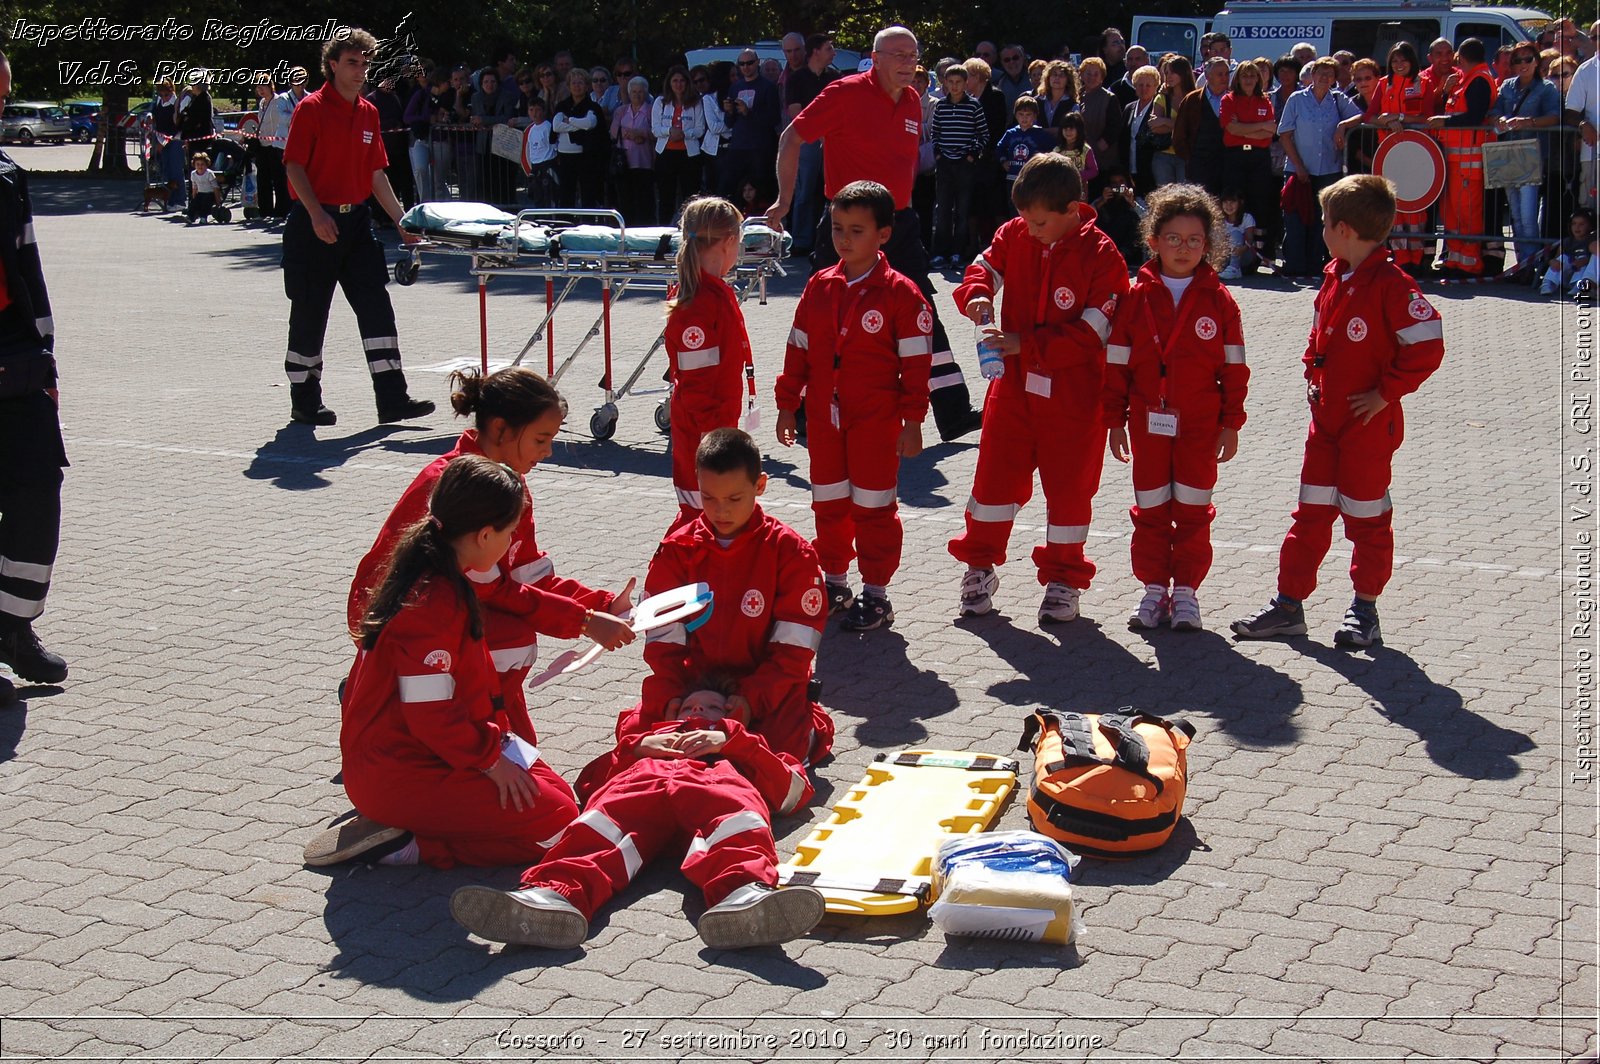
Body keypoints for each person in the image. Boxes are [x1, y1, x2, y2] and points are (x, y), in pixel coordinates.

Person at [304, 456, 584, 868]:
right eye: (509, 533)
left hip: (431, 753)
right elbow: (429, 713)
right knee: (559, 824)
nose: (510, 545)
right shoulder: (434, 603)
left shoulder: (439, 574)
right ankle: (409, 845)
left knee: (561, 796)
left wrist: (496, 750)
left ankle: (419, 824)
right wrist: (490, 761)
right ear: (486, 535)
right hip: (399, 772)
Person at [348, 366, 635, 733]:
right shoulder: (459, 485)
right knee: (508, 637)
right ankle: (434, 712)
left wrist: (604, 605)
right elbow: (492, 589)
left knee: (508, 644)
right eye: (541, 439)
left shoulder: (506, 484)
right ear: (500, 429)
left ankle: (483, 720)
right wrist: (583, 620)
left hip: (445, 609)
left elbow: (527, 573)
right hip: (410, 620)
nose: (548, 452)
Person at [449, 677, 825, 949]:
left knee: (734, 820)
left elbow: (792, 791)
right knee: (603, 825)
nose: (697, 712)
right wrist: (637, 748)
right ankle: (553, 896)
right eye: (689, 706)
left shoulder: (739, 745)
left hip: (714, 779)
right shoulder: (646, 740)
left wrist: (733, 742)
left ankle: (744, 895)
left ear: (731, 713)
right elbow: (590, 786)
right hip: (645, 779)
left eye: (711, 708)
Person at [1232, 175, 1443, 648]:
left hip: (1367, 428)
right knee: (1309, 515)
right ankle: (1289, 607)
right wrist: (1313, 370)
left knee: (1367, 521)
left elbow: (1428, 345)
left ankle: (1364, 611)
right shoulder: (1335, 274)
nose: (1321, 231)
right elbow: (1319, 334)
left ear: (1344, 229)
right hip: (1324, 423)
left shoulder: (1392, 285)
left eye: (1325, 223)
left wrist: (1386, 393)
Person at [768, 25, 984, 443]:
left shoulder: (912, 103)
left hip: (899, 224)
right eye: (899, 55)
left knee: (921, 311)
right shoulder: (844, 93)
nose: (908, 63)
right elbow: (791, 136)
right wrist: (784, 201)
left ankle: (953, 411)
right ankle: (805, 411)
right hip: (848, 224)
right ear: (876, 57)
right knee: (824, 313)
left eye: (913, 55)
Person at [948, 153, 1130, 623]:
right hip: (1011, 391)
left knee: (1070, 492)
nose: (1030, 230)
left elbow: (1092, 335)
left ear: (1073, 208)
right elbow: (982, 268)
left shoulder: (1104, 255)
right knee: (991, 483)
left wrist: (1022, 345)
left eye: (1040, 221)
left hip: (1074, 398)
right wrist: (978, 296)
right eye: (1025, 219)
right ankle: (979, 567)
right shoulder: (1016, 234)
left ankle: (1064, 579)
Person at [774, 181, 932, 632]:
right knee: (828, 502)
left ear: (883, 235)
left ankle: (877, 594)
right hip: (825, 420)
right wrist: (789, 405)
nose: (843, 239)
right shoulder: (820, 287)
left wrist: (914, 421)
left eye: (856, 230)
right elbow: (797, 348)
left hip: (876, 424)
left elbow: (916, 366)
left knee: (874, 507)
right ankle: (835, 583)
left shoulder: (902, 294)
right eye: (838, 228)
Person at [634, 428, 833, 765]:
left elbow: (794, 652)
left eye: (734, 499)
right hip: (695, 688)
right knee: (639, 739)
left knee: (779, 754)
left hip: (766, 688)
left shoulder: (790, 552)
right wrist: (672, 696)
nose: (720, 511)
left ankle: (812, 723)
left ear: (760, 486)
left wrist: (750, 700)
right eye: (708, 498)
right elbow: (663, 642)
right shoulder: (678, 550)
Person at [1103, 185, 1248, 632]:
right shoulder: (1134, 297)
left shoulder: (1220, 300)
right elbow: (1116, 366)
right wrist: (1114, 421)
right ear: (1153, 240)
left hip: (1200, 428)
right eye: (1173, 238)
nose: (1183, 249)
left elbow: (1234, 370)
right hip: (1147, 424)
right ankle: (1152, 590)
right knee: (1150, 508)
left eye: (1194, 240)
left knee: (1191, 508)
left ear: (1208, 246)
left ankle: (1185, 592)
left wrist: (1231, 424)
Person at [280, 28, 434, 428]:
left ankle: (392, 399)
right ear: (332, 65)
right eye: (352, 63)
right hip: (314, 223)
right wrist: (315, 214)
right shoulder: (311, 108)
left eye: (365, 64)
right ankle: (305, 401)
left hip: (357, 224)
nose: (360, 71)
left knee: (376, 307)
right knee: (311, 313)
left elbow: (375, 173)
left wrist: (403, 222)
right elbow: (294, 165)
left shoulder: (368, 111)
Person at [0, 51, 69, 704]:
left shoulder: (6, 173)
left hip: (12, 352)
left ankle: (13, 626)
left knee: (36, 489)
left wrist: (45, 359)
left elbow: (28, 271)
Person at [665, 197, 749, 528]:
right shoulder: (699, 303)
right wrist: (715, 441)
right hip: (704, 430)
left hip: (712, 425)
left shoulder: (710, 293)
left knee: (711, 516)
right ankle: (675, 575)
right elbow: (698, 384)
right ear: (729, 241)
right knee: (699, 519)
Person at [1278, 57, 1363, 276]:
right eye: (1320, 73)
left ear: (1335, 78)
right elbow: (1285, 135)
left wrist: (1343, 125)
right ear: (1312, 75)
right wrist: (1298, 166)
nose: (1324, 78)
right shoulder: (1297, 99)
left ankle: (1317, 265)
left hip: (1328, 169)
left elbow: (1360, 115)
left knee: (1322, 221)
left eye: (1330, 74)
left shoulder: (1337, 99)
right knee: (1295, 219)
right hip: (1298, 169)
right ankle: (1295, 266)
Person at [1423, 39, 1494, 275]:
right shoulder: (1465, 80)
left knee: (1468, 214)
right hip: (1454, 161)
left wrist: (1445, 121)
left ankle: (1470, 262)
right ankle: (1454, 260)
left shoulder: (1480, 80)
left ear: (1460, 58)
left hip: (1469, 163)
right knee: (1452, 215)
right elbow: (1456, 109)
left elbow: (1474, 116)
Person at [1491, 41, 1564, 265]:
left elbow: (1555, 115)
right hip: (1508, 154)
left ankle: (1532, 264)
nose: (1523, 64)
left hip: (1532, 156)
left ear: (1536, 62)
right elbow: (1495, 110)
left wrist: (1528, 122)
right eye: (1517, 60)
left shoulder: (1547, 88)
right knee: (1515, 216)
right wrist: (1499, 120)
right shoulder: (1507, 86)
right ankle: (1523, 262)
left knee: (1529, 215)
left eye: (1527, 59)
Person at [1360, 43, 1429, 272]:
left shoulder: (1422, 83)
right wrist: (1388, 120)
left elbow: (1426, 117)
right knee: (1394, 205)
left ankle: (1418, 258)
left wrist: (1400, 117)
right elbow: (1370, 117)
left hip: (1417, 153)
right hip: (1389, 153)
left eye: (1403, 60)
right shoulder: (1383, 84)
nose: (1399, 65)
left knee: (1415, 206)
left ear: (1412, 61)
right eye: (1395, 61)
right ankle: (1399, 256)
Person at [784, 34, 839, 255]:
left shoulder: (835, 77)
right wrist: (816, 133)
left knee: (833, 190)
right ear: (815, 51)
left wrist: (828, 134)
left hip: (832, 140)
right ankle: (800, 240)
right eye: (829, 48)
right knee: (804, 191)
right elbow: (795, 111)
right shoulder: (797, 79)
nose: (833, 52)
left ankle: (829, 240)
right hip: (806, 141)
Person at [928, 63, 988, 267]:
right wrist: (938, 154)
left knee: (962, 210)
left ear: (965, 83)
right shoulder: (941, 106)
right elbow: (935, 133)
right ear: (944, 82)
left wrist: (972, 154)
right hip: (944, 163)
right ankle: (940, 253)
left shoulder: (973, 105)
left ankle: (958, 253)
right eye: (950, 82)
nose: (954, 86)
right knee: (943, 209)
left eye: (958, 82)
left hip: (965, 164)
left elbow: (983, 134)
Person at [1220, 59, 1279, 263]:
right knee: (1234, 202)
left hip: (1259, 158)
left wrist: (1244, 129)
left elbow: (1271, 131)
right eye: (1244, 75)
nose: (1249, 79)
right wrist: (1258, 128)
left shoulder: (1265, 101)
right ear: (1238, 78)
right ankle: (1232, 253)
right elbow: (1231, 129)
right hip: (1235, 156)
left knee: (1261, 201)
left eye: (1253, 75)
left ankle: (1263, 253)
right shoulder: (1228, 100)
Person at [719, 50, 781, 200]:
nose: (746, 67)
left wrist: (749, 112)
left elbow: (774, 118)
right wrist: (729, 111)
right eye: (742, 64)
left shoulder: (768, 87)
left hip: (760, 148)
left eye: (749, 63)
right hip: (738, 145)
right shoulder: (735, 87)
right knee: (732, 188)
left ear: (757, 62)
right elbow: (729, 122)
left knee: (762, 188)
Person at [652, 67, 711, 224]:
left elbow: (700, 129)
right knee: (666, 197)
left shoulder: (696, 102)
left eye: (682, 81)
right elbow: (655, 128)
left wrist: (684, 133)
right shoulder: (660, 102)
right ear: (669, 83)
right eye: (675, 81)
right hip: (666, 154)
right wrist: (669, 131)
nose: (678, 84)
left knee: (690, 197)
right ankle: (664, 231)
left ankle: (690, 230)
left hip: (689, 155)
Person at [1175, 57, 1232, 194]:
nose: (1224, 78)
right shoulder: (1192, 100)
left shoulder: (1234, 99)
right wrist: (1191, 158)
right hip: (1199, 167)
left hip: (1228, 166)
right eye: (1220, 74)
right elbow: (1179, 135)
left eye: (1226, 74)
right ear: (1207, 76)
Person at [552, 69, 606, 209]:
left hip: (586, 157)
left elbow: (590, 124)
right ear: (569, 86)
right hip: (565, 157)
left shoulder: (593, 106)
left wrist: (569, 120)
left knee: (588, 194)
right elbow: (557, 126)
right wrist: (578, 124)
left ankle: (588, 226)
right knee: (566, 193)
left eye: (580, 83)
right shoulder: (562, 106)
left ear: (586, 85)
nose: (577, 86)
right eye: (574, 83)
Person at [1564, 23, 1600, 209]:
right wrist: (1583, 124)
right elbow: (1570, 112)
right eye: (1595, 37)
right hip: (1594, 156)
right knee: (1591, 212)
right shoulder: (1585, 71)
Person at [611, 76, 655, 224]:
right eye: (634, 91)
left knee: (644, 200)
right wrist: (633, 134)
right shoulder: (621, 111)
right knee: (625, 200)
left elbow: (655, 132)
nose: (637, 95)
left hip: (644, 161)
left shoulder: (651, 111)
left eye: (640, 92)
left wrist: (641, 134)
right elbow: (613, 131)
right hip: (624, 162)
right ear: (629, 93)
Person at [1076, 57, 1121, 195]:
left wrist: (1100, 146)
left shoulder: (1109, 98)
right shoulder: (1076, 96)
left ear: (1102, 77)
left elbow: (1115, 127)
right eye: (1088, 73)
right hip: (1079, 160)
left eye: (1096, 74)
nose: (1091, 77)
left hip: (1102, 160)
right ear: (1081, 75)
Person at [1149, 57, 1194, 188]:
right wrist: (1179, 125)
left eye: (1172, 72)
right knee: (1166, 197)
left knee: (1185, 196)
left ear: (1183, 73)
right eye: (1166, 72)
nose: (1168, 76)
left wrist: (1163, 121)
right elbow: (1154, 127)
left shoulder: (1194, 97)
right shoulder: (1162, 97)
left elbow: (1192, 127)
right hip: (1163, 154)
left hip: (1185, 154)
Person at [1092, 169, 1148, 267]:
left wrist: (1132, 203)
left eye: (1121, 182)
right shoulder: (1101, 200)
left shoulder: (1136, 200)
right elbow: (1086, 217)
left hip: (1127, 248)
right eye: (1114, 183)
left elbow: (1148, 219)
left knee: (1131, 218)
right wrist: (1102, 201)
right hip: (1106, 242)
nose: (1118, 186)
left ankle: (1121, 254)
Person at [1123, 65, 1163, 197]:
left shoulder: (1158, 109)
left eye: (1148, 85)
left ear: (1156, 87)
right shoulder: (1129, 108)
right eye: (1140, 85)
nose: (1143, 88)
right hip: (1130, 165)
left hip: (1151, 169)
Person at [150, 80, 188, 211]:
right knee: (166, 170)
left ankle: (181, 200)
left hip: (175, 141)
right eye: (161, 94)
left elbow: (176, 127)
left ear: (172, 91)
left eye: (166, 94)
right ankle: (170, 199)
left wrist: (163, 142)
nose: (163, 97)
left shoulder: (177, 105)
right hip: (162, 139)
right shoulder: (158, 103)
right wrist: (150, 117)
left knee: (176, 171)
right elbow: (155, 115)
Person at [519, 97, 557, 207]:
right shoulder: (531, 129)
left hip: (547, 165)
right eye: (531, 110)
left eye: (537, 110)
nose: (534, 113)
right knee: (536, 196)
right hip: (535, 166)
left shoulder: (548, 127)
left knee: (547, 196)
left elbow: (554, 146)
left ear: (543, 111)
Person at [1218, 189, 1258, 277]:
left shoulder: (1247, 218)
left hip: (1243, 254)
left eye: (1232, 202)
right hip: (1224, 255)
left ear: (1240, 202)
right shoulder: (1219, 219)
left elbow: (1249, 241)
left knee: (1236, 233)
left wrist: (1242, 249)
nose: (1228, 206)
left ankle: (1234, 268)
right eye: (1225, 202)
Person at [1054, 111, 1099, 184]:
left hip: (1080, 190)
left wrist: (1077, 175)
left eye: (1071, 128)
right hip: (1061, 190)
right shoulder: (1057, 151)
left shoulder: (1086, 150)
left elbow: (1094, 171)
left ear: (1079, 129)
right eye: (1065, 128)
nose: (1068, 131)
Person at [995, 45, 1033, 109]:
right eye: (1007, 60)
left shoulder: (1035, 78)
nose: (1012, 62)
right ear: (1002, 62)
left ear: (1023, 58)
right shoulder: (997, 84)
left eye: (1015, 58)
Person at [185, 152, 218, 225]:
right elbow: (194, 186)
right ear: (194, 165)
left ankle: (203, 217)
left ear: (206, 164)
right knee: (194, 203)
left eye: (202, 164)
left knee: (205, 203)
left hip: (210, 194)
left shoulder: (209, 173)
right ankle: (191, 217)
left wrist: (218, 200)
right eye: (198, 164)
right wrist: (193, 197)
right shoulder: (193, 174)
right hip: (200, 193)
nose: (200, 166)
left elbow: (215, 188)